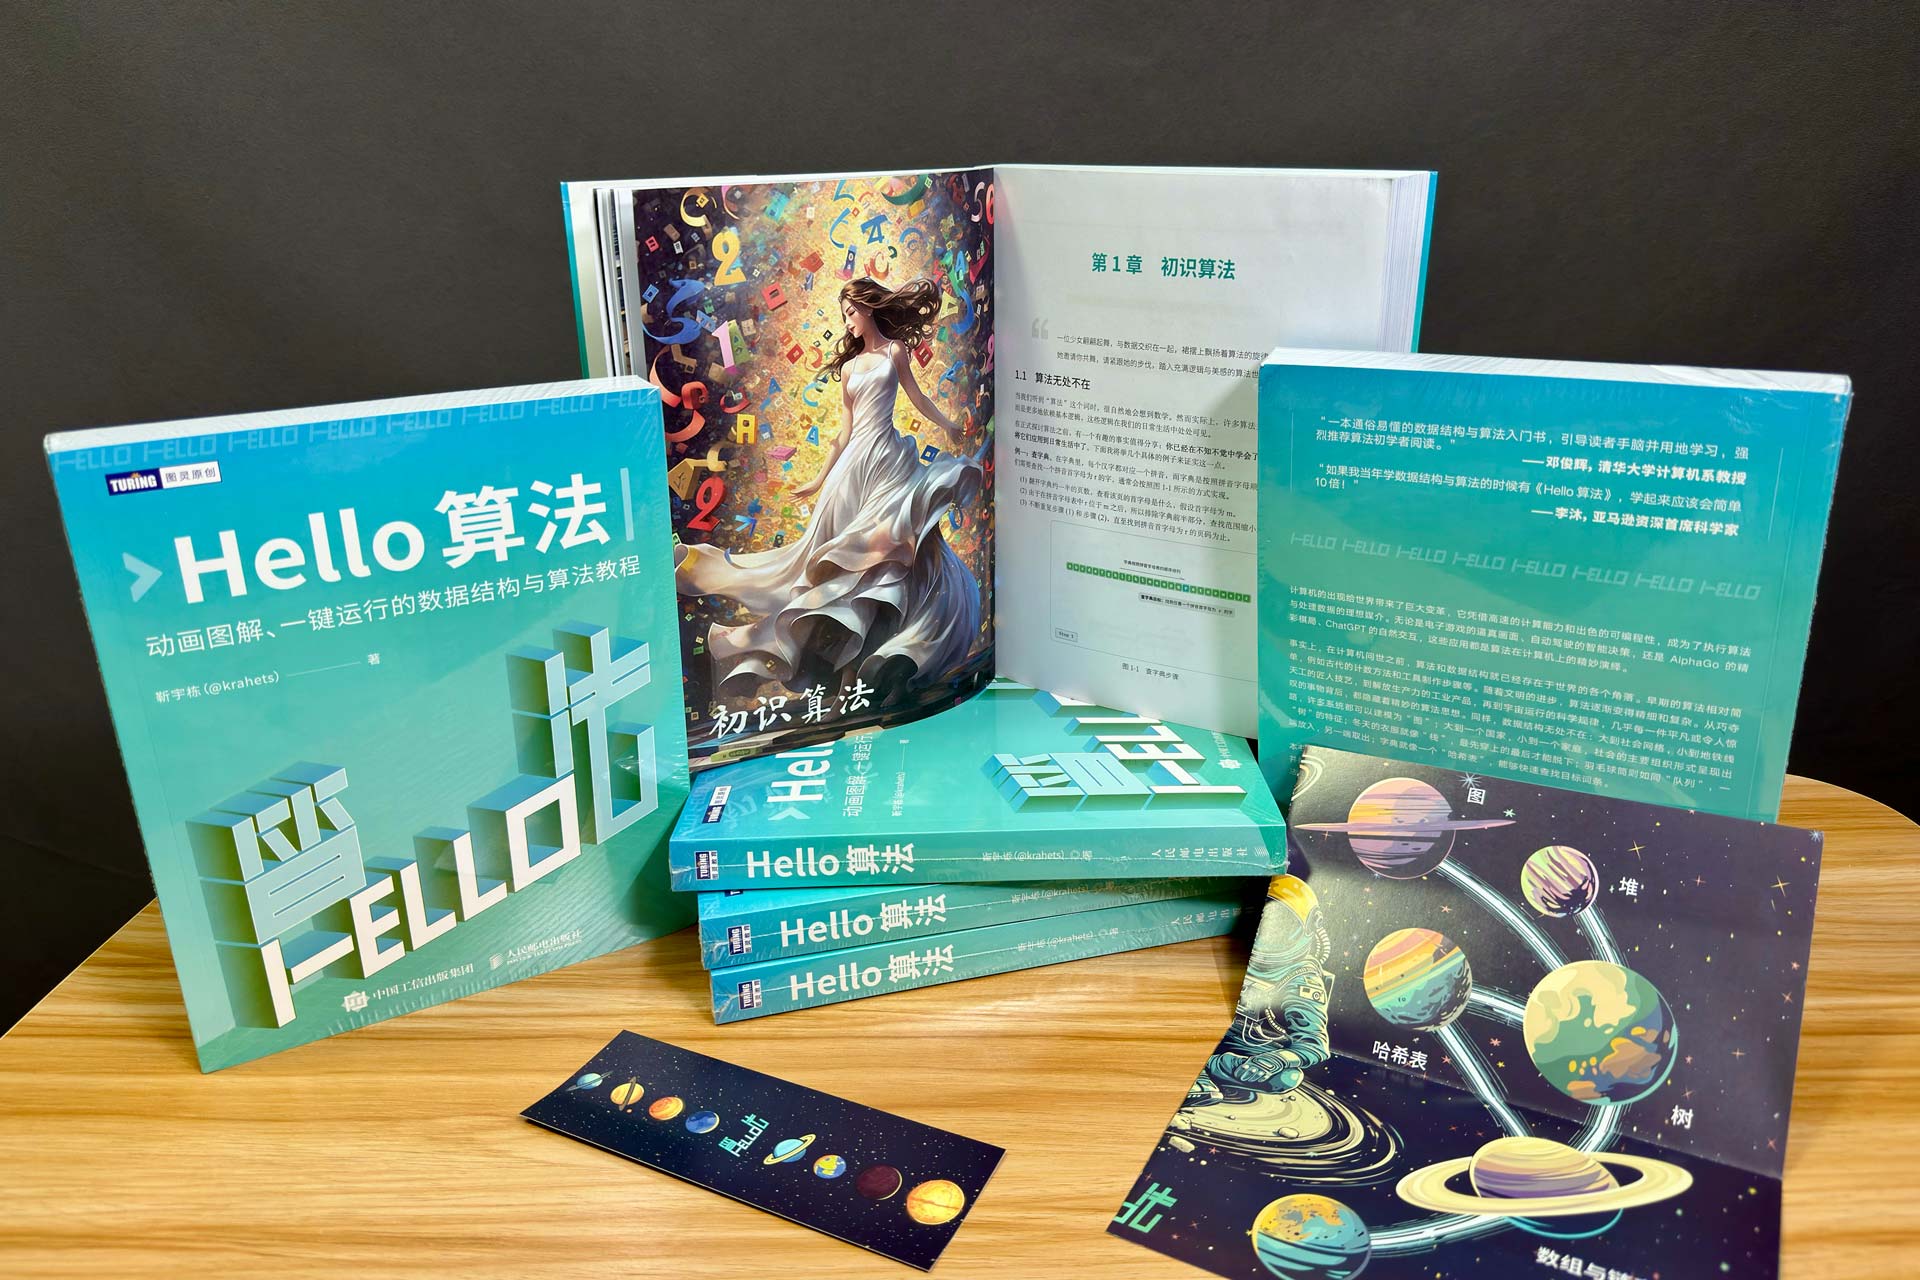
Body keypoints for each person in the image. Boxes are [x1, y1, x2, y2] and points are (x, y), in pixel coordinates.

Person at [676, 276, 983, 702]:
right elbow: (842, 433)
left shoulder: (894, 351)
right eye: (843, 315)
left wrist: (948, 424)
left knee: (886, 552)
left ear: (869, 308)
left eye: (851, 312)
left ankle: (879, 654)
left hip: (888, 460)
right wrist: (819, 479)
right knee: (828, 562)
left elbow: (917, 398)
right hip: (852, 466)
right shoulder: (850, 369)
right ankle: (819, 659)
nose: (848, 321)